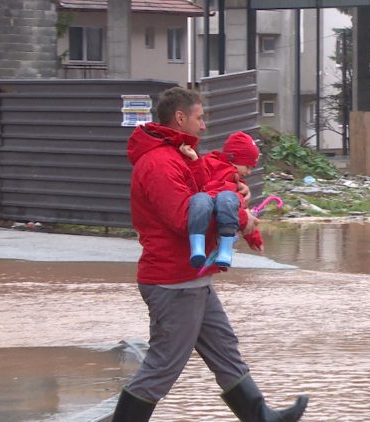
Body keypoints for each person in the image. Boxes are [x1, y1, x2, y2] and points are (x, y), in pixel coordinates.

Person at [112, 86, 308, 421]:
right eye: (200, 118)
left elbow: (207, 194)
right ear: (180, 117)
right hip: (173, 283)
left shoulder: (178, 156)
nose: (204, 126)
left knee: (225, 351)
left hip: (192, 279)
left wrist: (235, 195)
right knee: (163, 366)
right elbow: (185, 219)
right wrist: (241, 219)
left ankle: (261, 417)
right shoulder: (160, 162)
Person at [180, 131, 264, 270]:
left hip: (213, 216)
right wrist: (195, 159)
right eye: (248, 166)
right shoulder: (210, 165)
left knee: (223, 201)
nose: (249, 172)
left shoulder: (237, 182)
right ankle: (200, 249)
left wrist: (254, 238)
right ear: (233, 158)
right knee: (210, 200)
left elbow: (242, 212)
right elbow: (241, 214)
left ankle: (220, 250)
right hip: (207, 208)